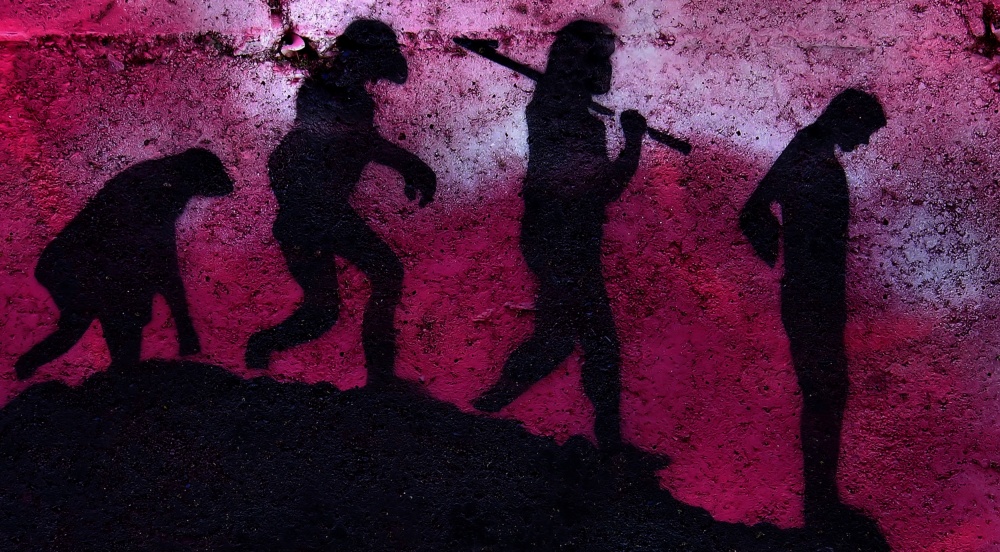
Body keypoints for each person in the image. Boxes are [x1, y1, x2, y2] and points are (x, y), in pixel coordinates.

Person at [473, 20, 646, 451]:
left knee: (561, 339)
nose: (607, 70)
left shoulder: (561, 112)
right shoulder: (564, 118)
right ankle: (610, 445)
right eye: (601, 59)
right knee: (595, 342)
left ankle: (489, 406)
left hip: (564, 238)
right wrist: (633, 144)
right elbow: (604, 188)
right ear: (581, 64)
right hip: (561, 239)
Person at [245, 20, 436, 387]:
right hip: (312, 215)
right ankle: (263, 354)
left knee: (331, 307)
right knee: (338, 302)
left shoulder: (338, 92)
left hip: (321, 213)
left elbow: (358, 144)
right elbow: (359, 143)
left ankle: (377, 377)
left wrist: (411, 167)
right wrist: (413, 167)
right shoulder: (326, 93)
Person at [739, 88, 886, 526]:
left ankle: (821, 498)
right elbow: (754, 210)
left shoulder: (810, 147)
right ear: (847, 118)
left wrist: (782, 248)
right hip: (812, 295)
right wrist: (790, 251)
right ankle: (820, 502)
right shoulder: (809, 150)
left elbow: (757, 209)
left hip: (815, 293)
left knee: (826, 393)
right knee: (825, 393)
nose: (864, 141)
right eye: (864, 131)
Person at [15, 148, 234, 378]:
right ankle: (116, 379)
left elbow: (157, 259)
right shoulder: (162, 188)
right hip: (81, 265)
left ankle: (30, 367)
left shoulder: (159, 179)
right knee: (117, 320)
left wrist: (182, 323)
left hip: (82, 264)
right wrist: (184, 325)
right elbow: (163, 260)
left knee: (93, 324)